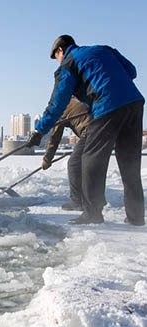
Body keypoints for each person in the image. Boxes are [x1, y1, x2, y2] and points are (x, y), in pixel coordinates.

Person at [27, 35, 145, 225]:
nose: (57, 61)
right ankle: (136, 217)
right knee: (130, 163)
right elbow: (131, 71)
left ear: (60, 50)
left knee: (91, 160)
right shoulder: (104, 49)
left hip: (107, 106)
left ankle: (92, 213)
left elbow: (57, 104)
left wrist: (39, 131)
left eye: (56, 57)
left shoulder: (68, 63)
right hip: (134, 103)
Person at [41, 97, 92, 211]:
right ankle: (95, 200)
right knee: (90, 164)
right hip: (105, 127)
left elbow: (55, 138)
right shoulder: (77, 99)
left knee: (73, 164)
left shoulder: (60, 108)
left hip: (91, 131)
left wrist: (47, 159)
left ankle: (76, 201)